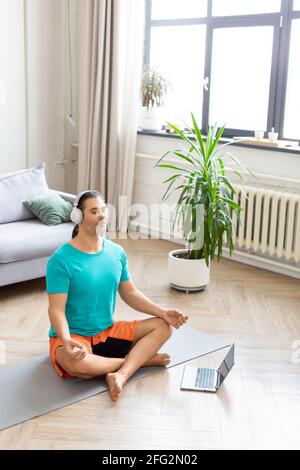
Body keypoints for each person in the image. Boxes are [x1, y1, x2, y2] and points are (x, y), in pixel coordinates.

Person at [46, 190, 188, 401]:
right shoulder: (60, 260)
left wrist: (163, 312)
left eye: (103, 209)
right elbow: (56, 309)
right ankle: (139, 361)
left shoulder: (116, 252)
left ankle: (120, 374)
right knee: (77, 364)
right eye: (94, 211)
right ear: (79, 217)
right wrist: (66, 340)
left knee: (162, 326)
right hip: (74, 337)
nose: (102, 215)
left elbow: (130, 293)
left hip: (107, 331)